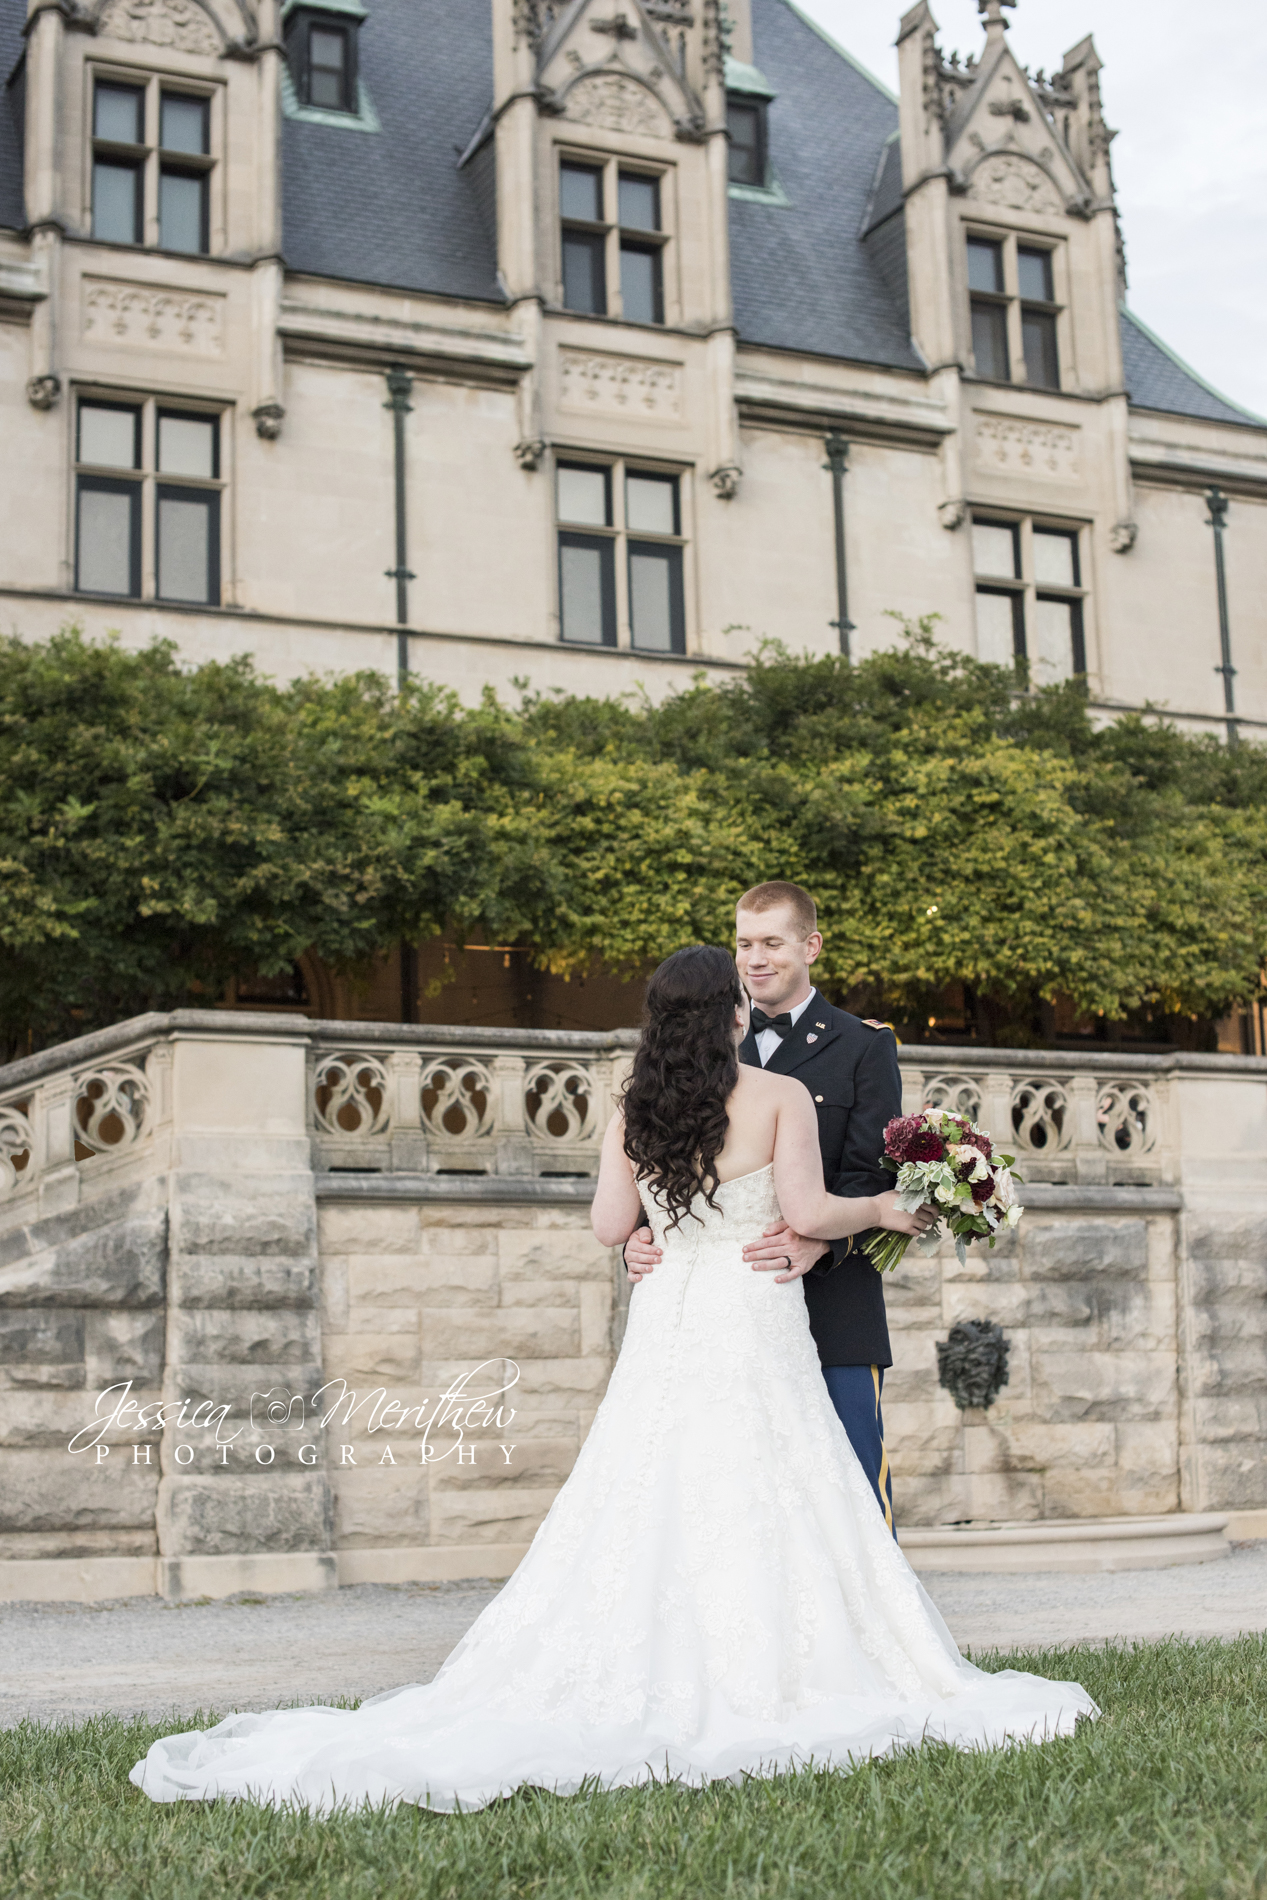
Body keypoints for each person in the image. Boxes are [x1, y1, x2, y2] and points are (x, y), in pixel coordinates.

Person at [130, 945, 1095, 1813]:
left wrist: (645, 1238)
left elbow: (603, 1225)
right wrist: (888, 1202)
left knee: (646, 1480)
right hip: (752, 1310)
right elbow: (805, 1208)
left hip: (671, 1313)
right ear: (732, 1014)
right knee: (770, 1477)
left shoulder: (634, 1103)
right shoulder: (777, 1097)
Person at [622, 883, 904, 1529]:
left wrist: (822, 1240)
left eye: (771, 943)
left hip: (833, 1303)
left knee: (852, 1477)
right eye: (744, 944)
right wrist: (639, 1234)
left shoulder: (864, 1045)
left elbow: (873, 1173)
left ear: (810, 946)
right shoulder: (699, 1045)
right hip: (719, 1313)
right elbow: (667, 1160)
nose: (754, 959)